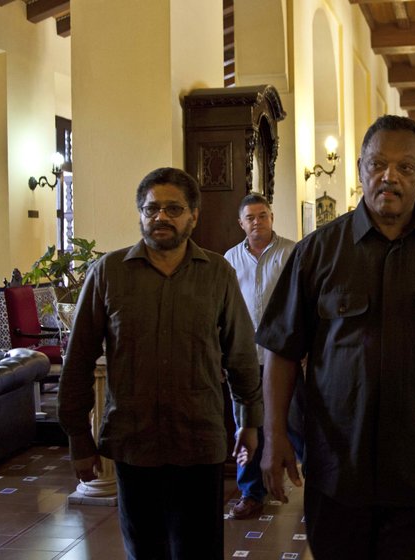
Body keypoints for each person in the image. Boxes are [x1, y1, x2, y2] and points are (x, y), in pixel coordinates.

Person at [256, 115, 415, 560]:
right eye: (377, 164)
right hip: (339, 470)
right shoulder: (317, 253)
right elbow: (281, 351)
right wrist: (274, 435)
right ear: (359, 169)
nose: (389, 176)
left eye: (405, 167)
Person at [57, 167, 263, 560]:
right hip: (135, 442)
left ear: (194, 215)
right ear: (140, 214)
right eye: (152, 209)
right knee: (145, 551)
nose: (161, 217)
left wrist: (249, 421)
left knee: (199, 551)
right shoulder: (109, 273)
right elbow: (79, 359)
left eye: (173, 208)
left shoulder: (217, 273)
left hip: (199, 440)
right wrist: (78, 439)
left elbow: (240, 354)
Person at [223, 193, 298, 520]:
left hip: (285, 356)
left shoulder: (292, 252)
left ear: (272, 216)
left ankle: (320, 488)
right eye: (250, 217)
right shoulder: (229, 259)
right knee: (247, 426)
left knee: (297, 423)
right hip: (244, 358)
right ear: (241, 223)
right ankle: (251, 492)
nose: (257, 221)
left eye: (263, 215)